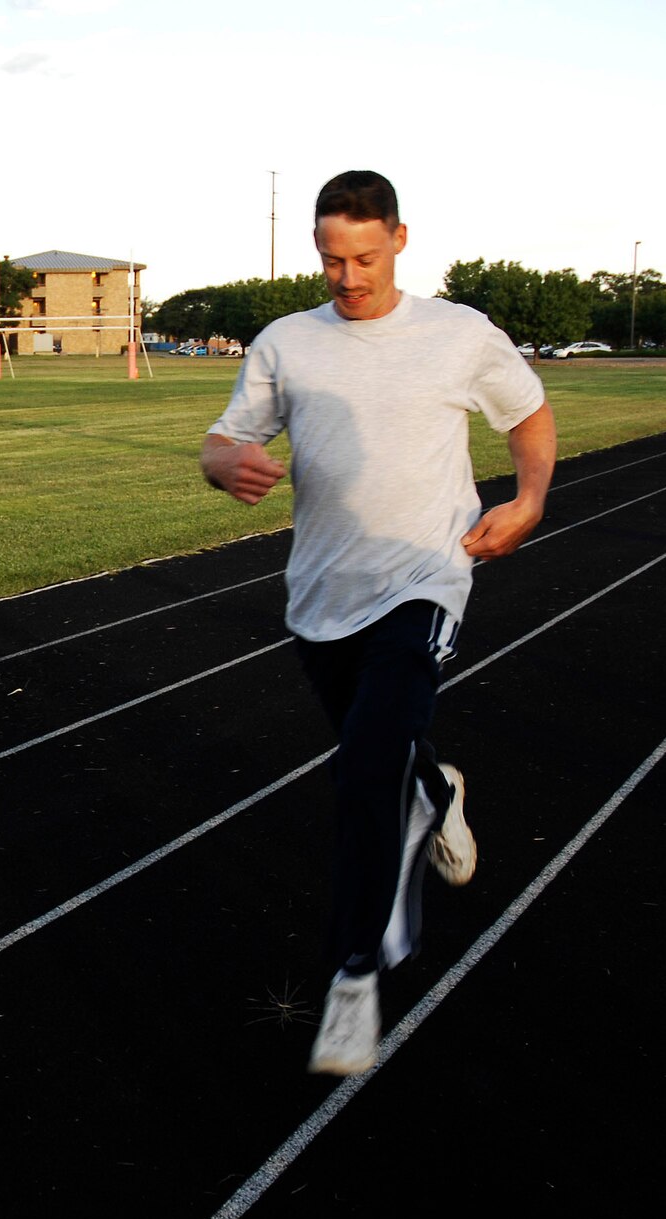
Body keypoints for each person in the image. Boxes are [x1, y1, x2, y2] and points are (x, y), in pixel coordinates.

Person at [200, 170, 556, 1076]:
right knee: (387, 751)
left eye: (362, 257)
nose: (347, 277)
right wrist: (227, 464)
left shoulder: (458, 333)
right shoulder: (287, 342)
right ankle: (438, 790)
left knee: (364, 768)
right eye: (330, 259)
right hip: (320, 596)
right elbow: (223, 438)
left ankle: (355, 976)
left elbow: (529, 415)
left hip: (425, 577)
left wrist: (530, 500)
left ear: (400, 238)